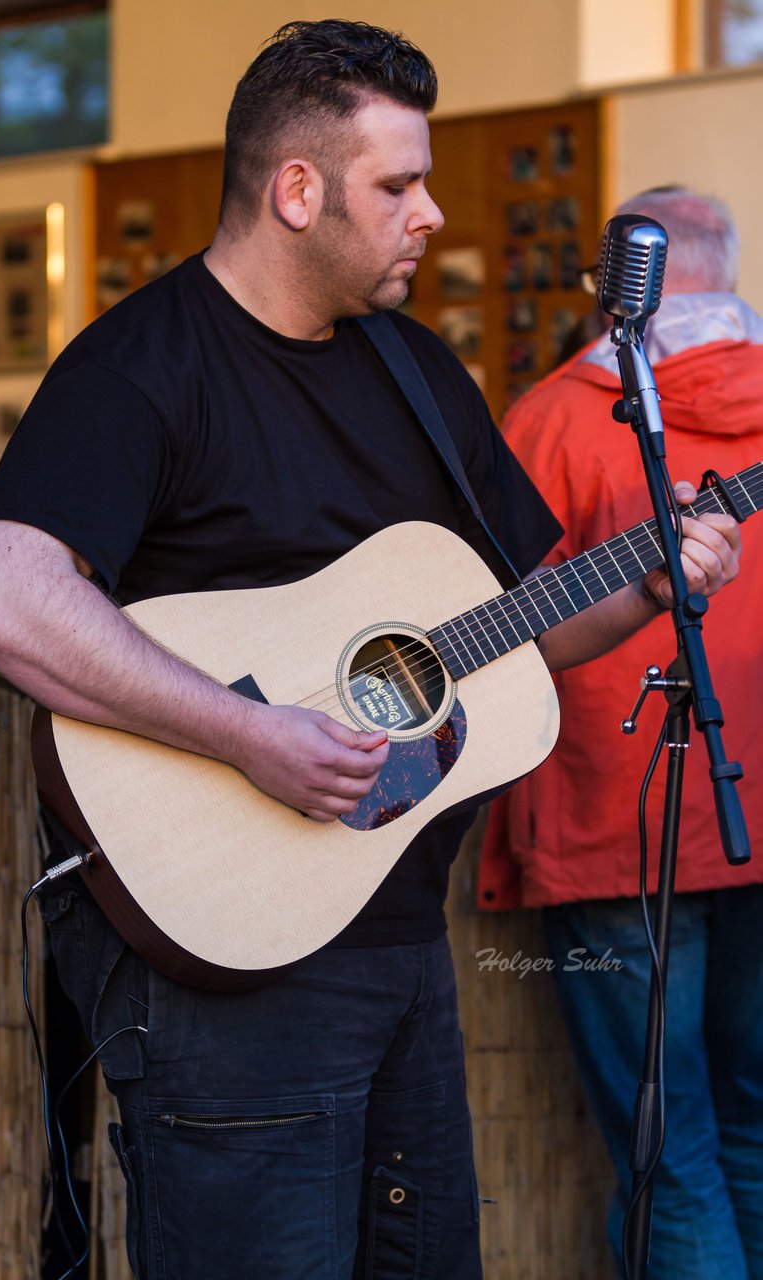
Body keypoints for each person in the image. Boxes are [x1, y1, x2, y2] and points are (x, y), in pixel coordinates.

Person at [0, 24, 741, 1277]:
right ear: (296, 190)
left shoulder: (416, 367)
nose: (426, 213)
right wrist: (250, 732)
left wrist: (646, 581)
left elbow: (520, 619)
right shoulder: (144, 364)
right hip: (223, 969)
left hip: (394, 944)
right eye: (397, 185)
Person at [480, 186, 763, 1279]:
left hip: (614, 824)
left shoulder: (553, 417)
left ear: (617, 280)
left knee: (667, 1152)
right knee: (748, 1126)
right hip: (752, 809)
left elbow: (493, 618)